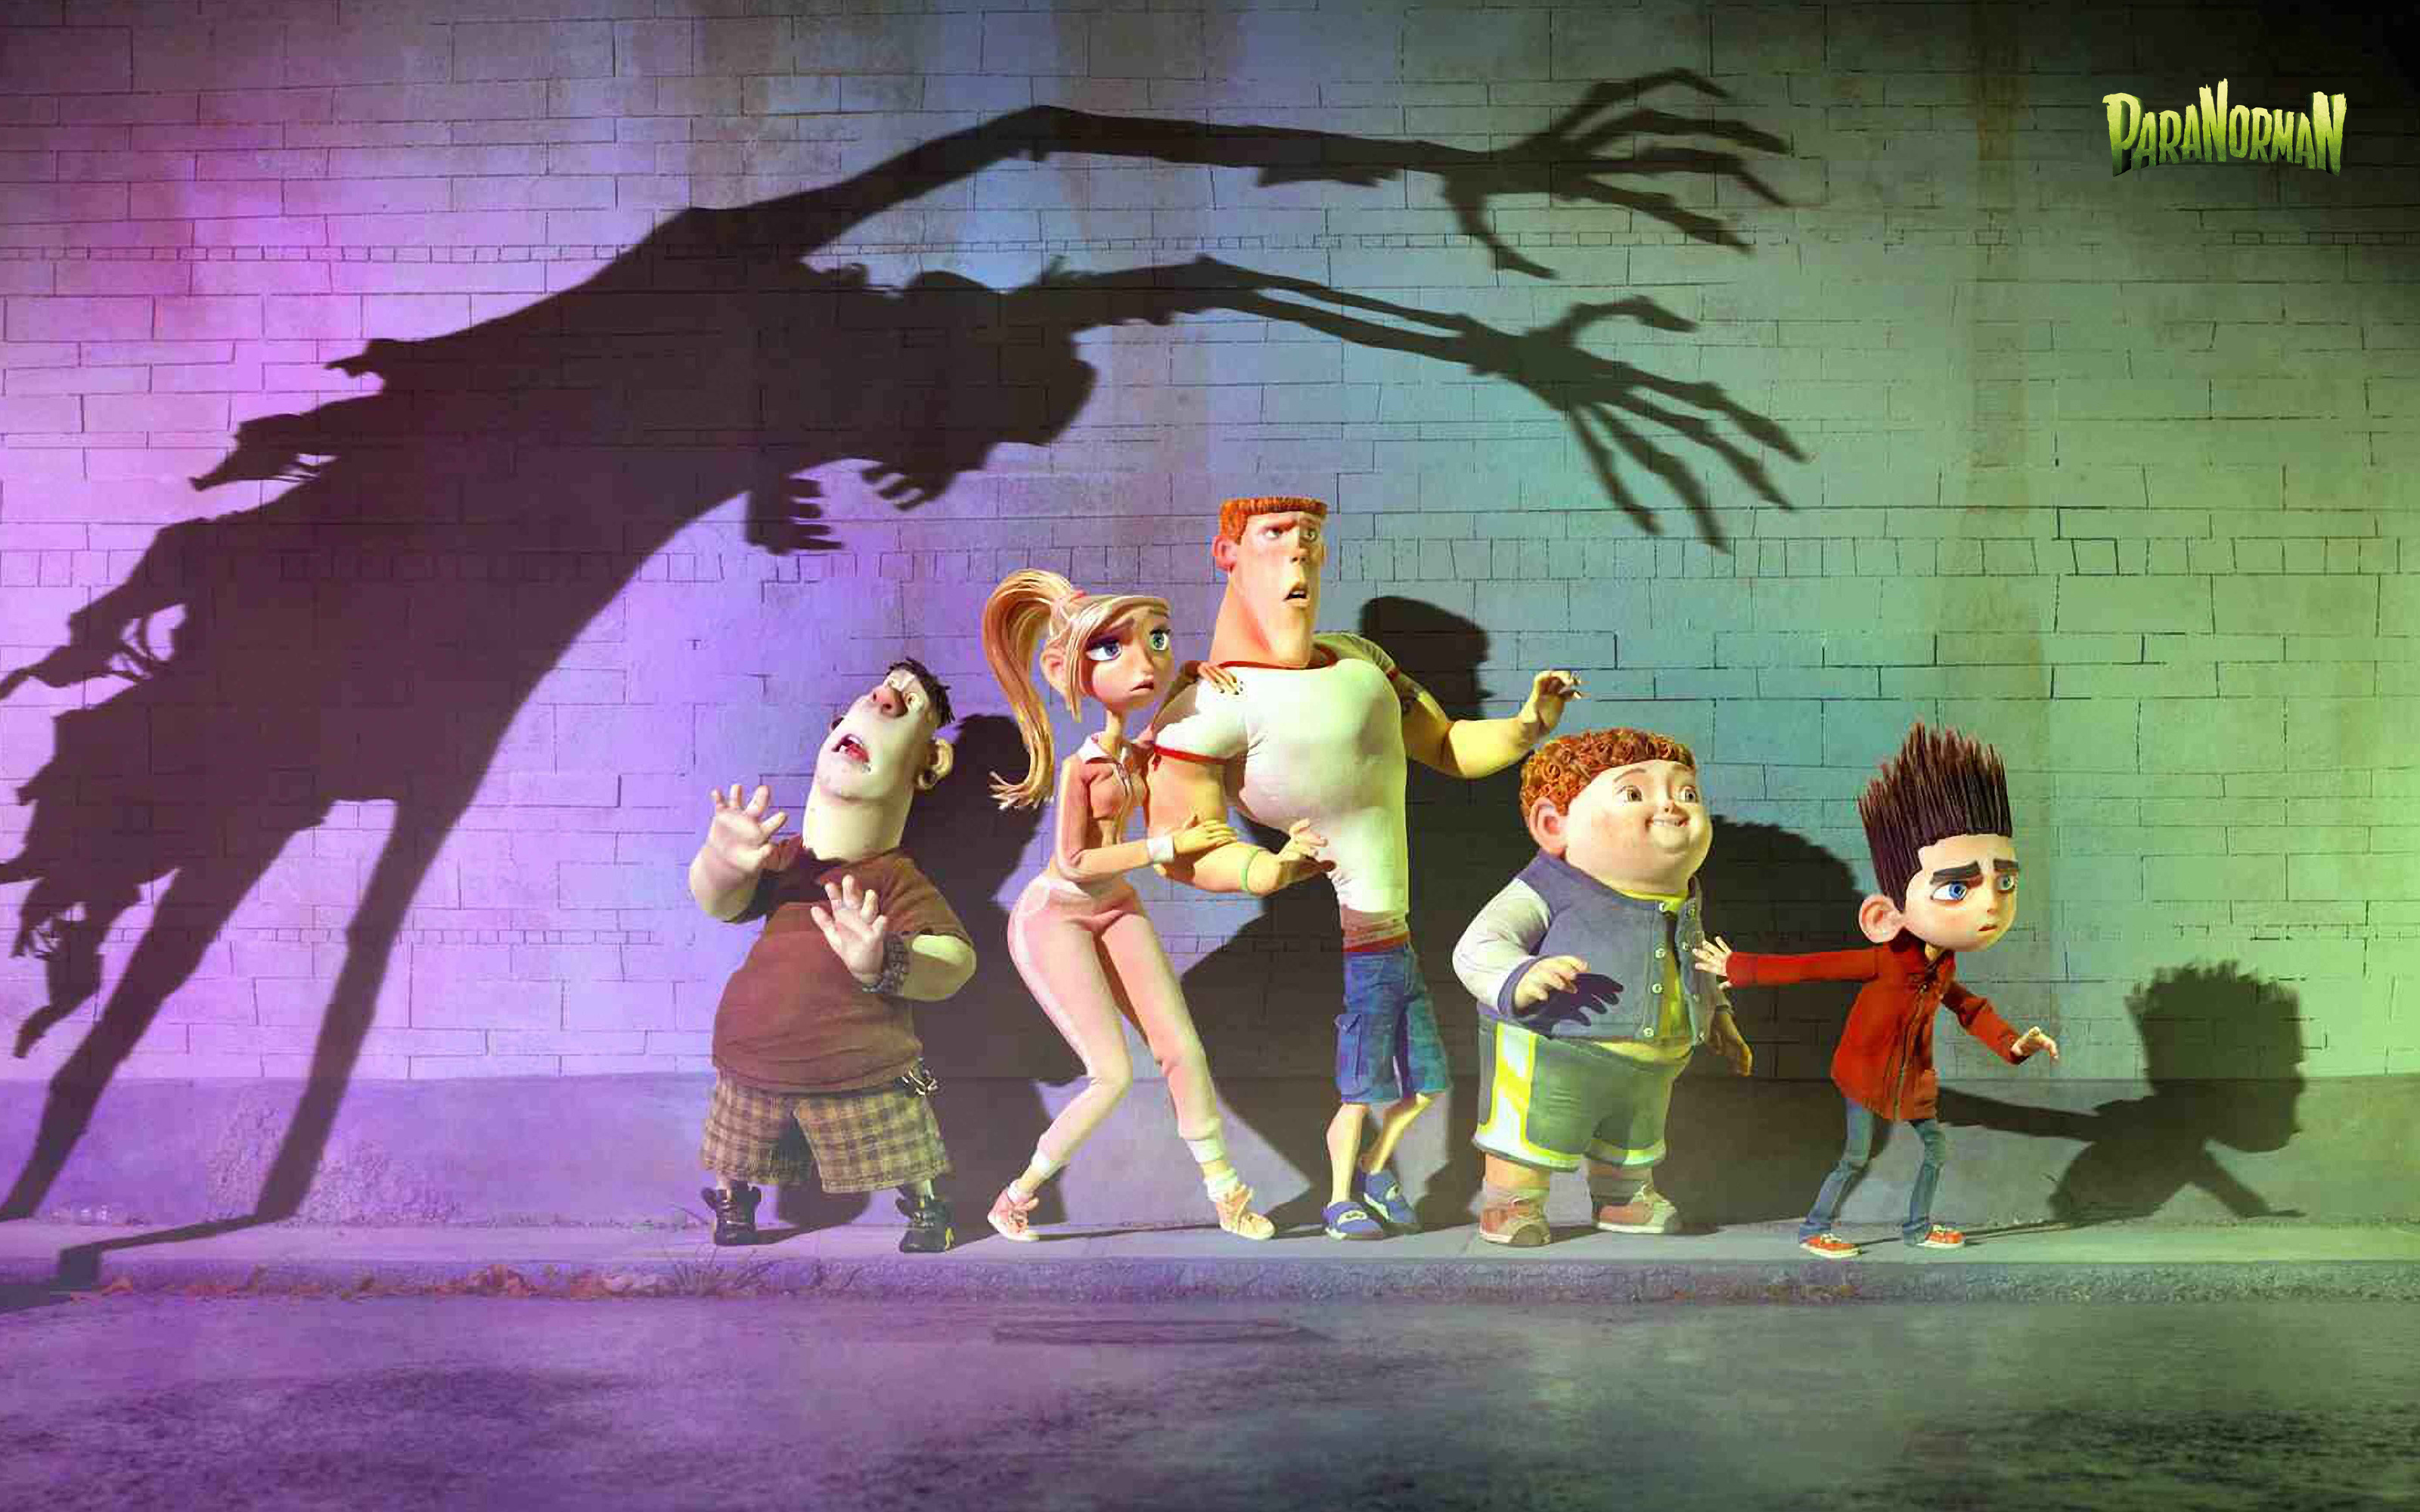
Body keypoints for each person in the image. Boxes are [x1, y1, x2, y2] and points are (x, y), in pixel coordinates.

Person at [1147, 495, 1581, 1239]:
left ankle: (1374, 1174)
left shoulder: (1362, 660)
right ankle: (1342, 1192)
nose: (1297, 549)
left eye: (1309, 534)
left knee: (1423, 1084)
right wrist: (1270, 867)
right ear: (1228, 553)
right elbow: (1183, 848)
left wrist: (1527, 724)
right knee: (1363, 1086)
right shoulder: (1206, 706)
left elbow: (1447, 746)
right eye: (1273, 534)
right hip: (1364, 942)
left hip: (1393, 939)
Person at [979, 569, 1283, 1241]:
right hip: (1055, 916)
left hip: (1115, 905)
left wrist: (1188, 685)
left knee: (1182, 1049)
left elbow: (1150, 747)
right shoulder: (1081, 769)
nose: (1143, 662)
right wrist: (1166, 845)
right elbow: (1074, 862)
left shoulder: (1130, 755)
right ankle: (1016, 1197)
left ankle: (1227, 1194)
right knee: (1110, 1074)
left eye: (1157, 640)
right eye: (1112, 648)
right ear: (1066, 669)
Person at [1693, 723, 2059, 1259]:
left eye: (2005, 883)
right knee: (1855, 1158)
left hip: (1913, 1082)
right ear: (1884, 916)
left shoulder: (1942, 966)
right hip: (1864, 1077)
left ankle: (1917, 1227)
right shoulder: (1885, 960)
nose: (1991, 905)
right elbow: (1812, 968)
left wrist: (2014, 1045)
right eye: (1957, 888)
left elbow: (1969, 1009)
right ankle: (1814, 1228)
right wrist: (1740, 967)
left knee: (1935, 1150)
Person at [688, 660, 976, 1253]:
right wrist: (721, 861)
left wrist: (886, 960)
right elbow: (721, 904)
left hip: (860, 1058)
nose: (884, 699)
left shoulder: (895, 879)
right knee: (734, 1143)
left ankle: (927, 1209)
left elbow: (955, 959)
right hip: (753, 1049)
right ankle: (733, 1201)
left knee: (902, 1143)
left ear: (929, 765)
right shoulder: (783, 859)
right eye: (877, 694)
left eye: (908, 705)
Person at [1452, 728, 1754, 1247]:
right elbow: (1479, 944)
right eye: (1634, 794)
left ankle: (1622, 1197)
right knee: (1528, 1133)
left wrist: (1717, 1014)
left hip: (1654, 1057)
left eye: (1686, 793)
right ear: (1554, 825)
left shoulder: (1684, 897)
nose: (1671, 807)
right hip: (1553, 1049)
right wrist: (1519, 975)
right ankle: (1511, 1202)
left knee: (1633, 1139)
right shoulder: (1546, 887)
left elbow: (1694, 957)